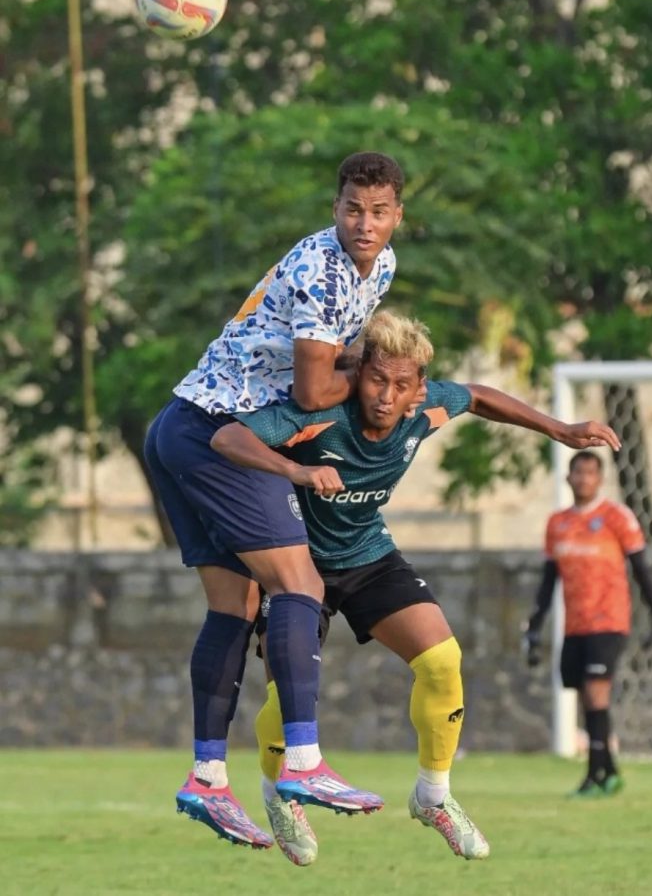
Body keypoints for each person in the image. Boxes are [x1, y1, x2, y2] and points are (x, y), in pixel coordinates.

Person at [210, 310, 621, 864]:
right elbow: (228, 437)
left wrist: (559, 429)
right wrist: (299, 473)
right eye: (378, 379)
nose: (386, 395)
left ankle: (433, 795)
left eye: (401, 385)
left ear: (418, 389)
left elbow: (476, 395)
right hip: (297, 563)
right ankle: (278, 793)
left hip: (367, 556)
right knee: (288, 694)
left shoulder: (426, 408)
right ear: (360, 377)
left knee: (442, 660)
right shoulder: (323, 414)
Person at [143, 152, 405, 847]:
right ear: (335, 206)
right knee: (300, 585)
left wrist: (355, 367)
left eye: (378, 211)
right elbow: (314, 392)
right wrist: (371, 375)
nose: (364, 223)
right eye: (353, 207)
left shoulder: (381, 267)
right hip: (218, 435)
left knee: (237, 604)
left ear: (397, 214)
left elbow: (331, 369)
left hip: (179, 426)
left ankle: (206, 776)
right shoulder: (322, 271)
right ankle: (306, 763)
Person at [522, 450, 652, 799]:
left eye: (591, 473)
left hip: (608, 619)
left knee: (596, 692)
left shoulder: (616, 517)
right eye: (578, 473)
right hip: (574, 624)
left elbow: (642, 571)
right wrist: (534, 625)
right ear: (568, 477)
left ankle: (594, 776)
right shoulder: (557, 523)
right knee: (585, 697)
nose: (584, 479)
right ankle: (610, 772)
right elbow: (549, 581)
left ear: (600, 479)